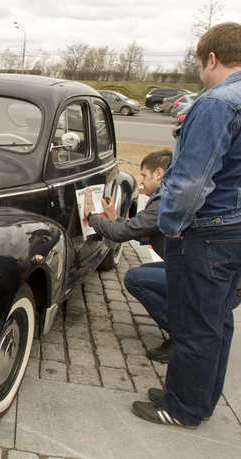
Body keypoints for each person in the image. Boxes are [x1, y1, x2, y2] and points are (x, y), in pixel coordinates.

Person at [132, 22, 241, 429]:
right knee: (217, 321)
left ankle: (181, 408)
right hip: (235, 228)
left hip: (210, 230)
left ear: (211, 58)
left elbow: (191, 179)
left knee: (195, 325)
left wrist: (172, 225)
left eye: (200, 64)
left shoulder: (217, 104)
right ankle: (199, 397)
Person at [83, 150, 172, 362]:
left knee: (135, 279)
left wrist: (91, 216)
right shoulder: (168, 196)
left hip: (191, 273)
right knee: (144, 273)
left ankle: (181, 334)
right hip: (184, 266)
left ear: (158, 173)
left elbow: (120, 234)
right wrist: (114, 216)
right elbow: (137, 227)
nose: (141, 181)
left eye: (143, 175)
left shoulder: (163, 201)